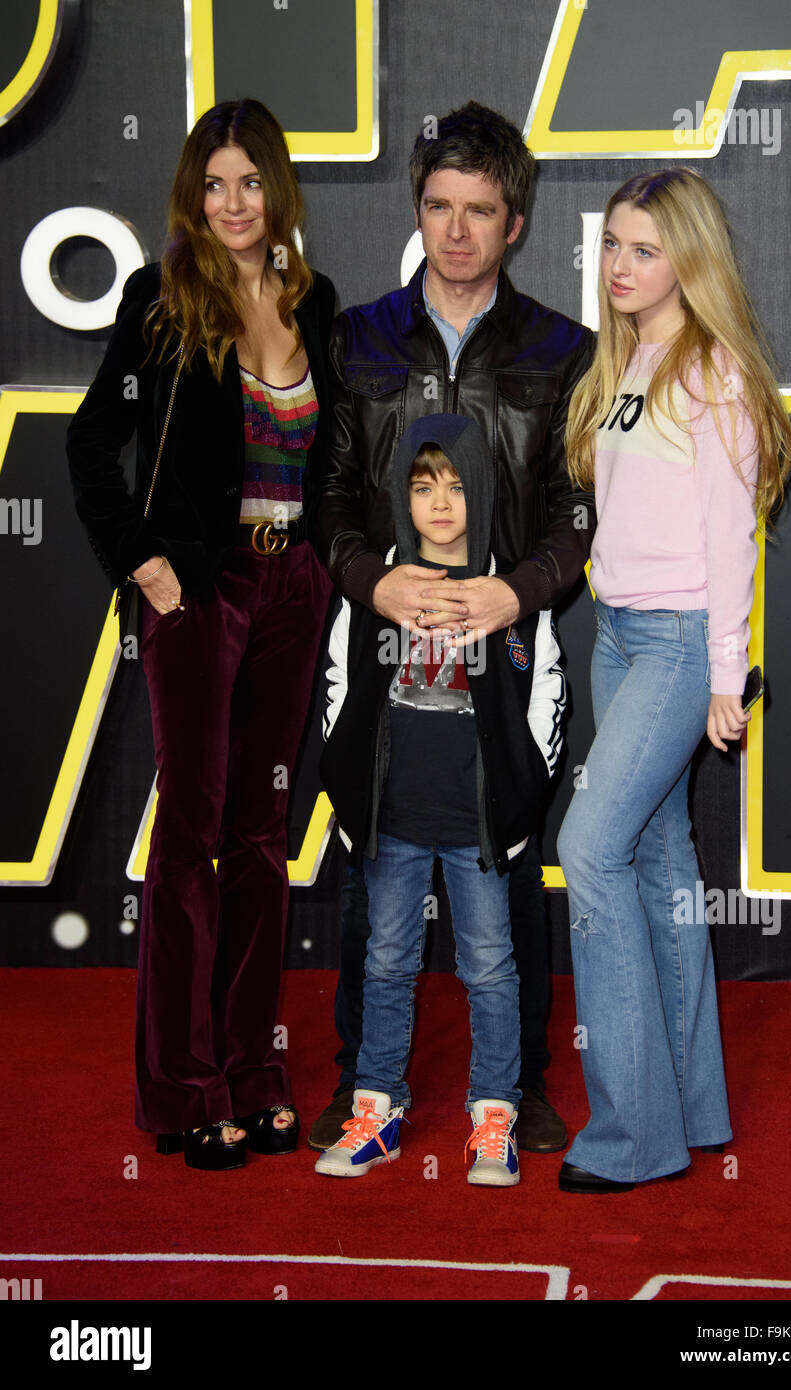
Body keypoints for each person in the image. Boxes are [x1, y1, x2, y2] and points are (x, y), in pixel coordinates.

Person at [311, 101, 595, 1154]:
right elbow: (328, 496)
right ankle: (362, 1082)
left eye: (481, 210)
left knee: (506, 858)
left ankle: (509, 1089)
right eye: (439, 205)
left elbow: (578, 506)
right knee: (368, 849)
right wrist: (371, 581)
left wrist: (517, 591)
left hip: (512, 645)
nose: (458, 231)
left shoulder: (566, 350)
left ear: (515, 219)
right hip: (380, 638)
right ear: (418, 207)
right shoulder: (359, 337)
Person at [67, 99, 335, 1170]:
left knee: (263, 837)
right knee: (190, 839)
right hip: (199, 592)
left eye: (250, 182)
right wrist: (145, 563)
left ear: (276, 190)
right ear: (193, 192)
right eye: (213, 184)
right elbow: (94, 446)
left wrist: (320, 560)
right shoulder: (162, 298)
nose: (232, 204)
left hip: (291, 589)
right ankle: (184, 1089)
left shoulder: (310, 305)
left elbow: (325, 457)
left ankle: (254, 1069)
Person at [556, 169, 791, 1193]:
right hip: (613, 631)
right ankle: (692, 1109)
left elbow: (726, 534)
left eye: (644, 249)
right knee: (655, 859)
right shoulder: (627, 356)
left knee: (587, 848)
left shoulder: (710, 372)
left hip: (677, 640)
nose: (620, 265)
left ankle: (634, 1134)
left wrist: (724, 674)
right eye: (611, 244)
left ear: (688, 258)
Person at [316, 414, 566, 1183]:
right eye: (423, 486)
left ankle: (495, 1117)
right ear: (400, 494)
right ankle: (376, 1109)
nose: (440, 503)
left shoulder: (511, 593)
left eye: (458, 486)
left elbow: (544, 696)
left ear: (484, 491)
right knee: (385, 964)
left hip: (481, 827)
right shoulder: (374, 589)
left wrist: (520, 800)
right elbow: (337, 688)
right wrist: (350, 793)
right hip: (391, 822)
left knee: (491, 968)